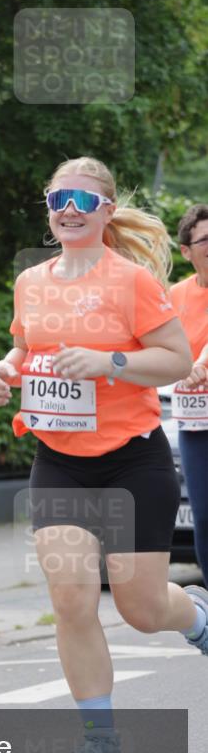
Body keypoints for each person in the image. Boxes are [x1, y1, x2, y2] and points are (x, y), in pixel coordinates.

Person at [0, 156, 208, 753]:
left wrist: (110, 361)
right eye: (59, 199)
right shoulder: (32, 282)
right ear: (49, 209)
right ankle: (101, 743)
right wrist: (3, 371)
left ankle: (195, 617)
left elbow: (176, 359)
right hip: (57, 461)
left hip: (132, 461)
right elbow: (25, 348)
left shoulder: (131, 281)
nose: (69, 210)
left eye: (83, 199)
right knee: (72, 601)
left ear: (106, 211)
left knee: (139, 608)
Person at [170, 204, 208, 586]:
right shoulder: (174, 297)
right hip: (194, 423)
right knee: (205, 515)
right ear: (186, 251)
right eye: (206, 240)